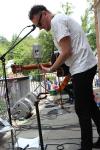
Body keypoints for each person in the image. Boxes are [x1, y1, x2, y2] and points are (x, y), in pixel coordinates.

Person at [28, 5, 100, 150]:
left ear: (44, 13)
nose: (40, 28)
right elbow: (69, 51)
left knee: (81, 109)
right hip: (83, 65)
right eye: (37, 26)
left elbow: (66, 51)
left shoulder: (57, 22)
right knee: (90, 106)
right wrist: (59, 67)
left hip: (83, 67)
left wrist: (52, 68)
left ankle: (86, 146)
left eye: (39, 24)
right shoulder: (60, 20)